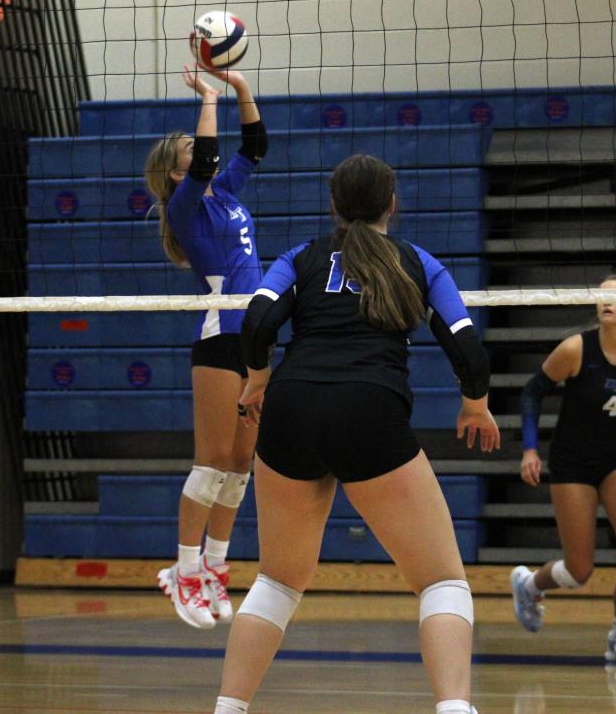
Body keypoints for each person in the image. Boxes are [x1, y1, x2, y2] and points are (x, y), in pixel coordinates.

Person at [212, 154, 500, 714]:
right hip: (369, 409)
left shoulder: (303, 257)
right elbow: (468, 348)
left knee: (276, 581)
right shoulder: (419, 263)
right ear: (392, 204)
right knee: (442, 583)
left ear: (333, 204)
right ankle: (455, 709)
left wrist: (256, 382)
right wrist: (475, 405)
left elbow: (257, 323)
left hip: (291, 407)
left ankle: (228, 709)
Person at [145, 65, 268, 629]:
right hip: (221, 337)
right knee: (212, 462)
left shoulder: (227, 192)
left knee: (241, 465)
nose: (203, 154)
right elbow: (214, 153)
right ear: (177, 173)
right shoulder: (186, 206)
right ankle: (184, 570)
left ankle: (216, 568)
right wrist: (210, 99)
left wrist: (240, 88)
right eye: (191, 151)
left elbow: (255, 145)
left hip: (256, 335)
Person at [510, 273, 616, 664]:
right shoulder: (574, 349)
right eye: (600, 296)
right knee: (579, 570)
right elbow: (532, 393)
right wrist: (530, 450)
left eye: (615, 297)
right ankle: (530, 584)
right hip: (572, 462)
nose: (605, 302)